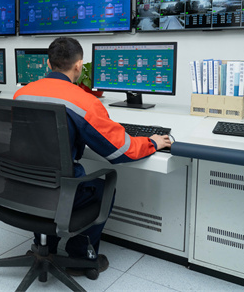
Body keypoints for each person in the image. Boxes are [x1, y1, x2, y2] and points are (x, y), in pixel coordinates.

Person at [13, 37, 172, 276]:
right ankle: (80, 257)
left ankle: (45, 245)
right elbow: (120, 150)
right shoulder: (84, 101)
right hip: (59, 191)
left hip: (21, 186)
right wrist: (152, 141)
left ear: (48, 63)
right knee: (102, 188)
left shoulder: (22, 93)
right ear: (78, 66)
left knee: (47, 175)